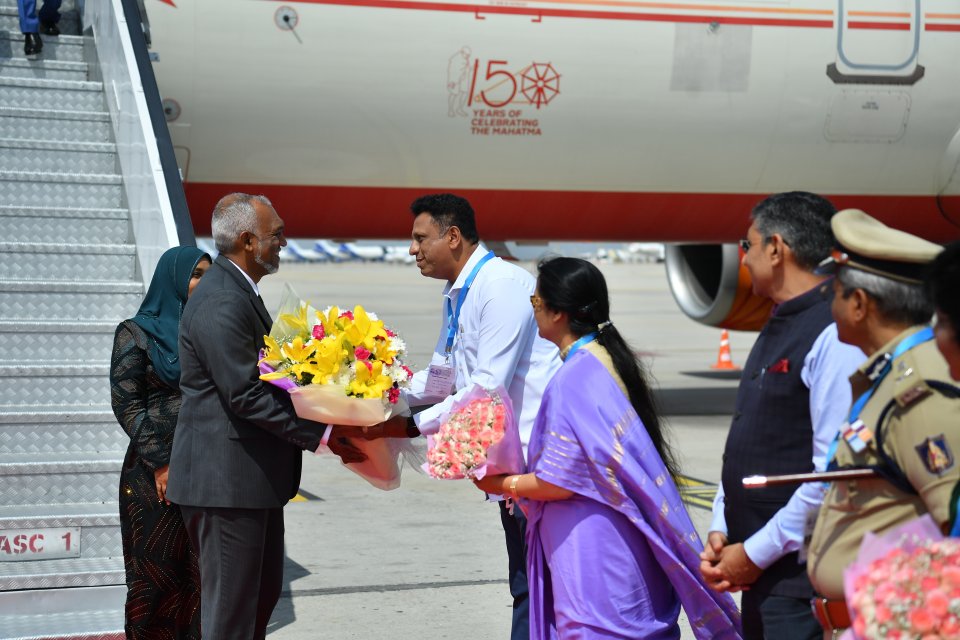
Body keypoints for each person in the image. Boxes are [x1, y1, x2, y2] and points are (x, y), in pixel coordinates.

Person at [474, 257, 742, 639]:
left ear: (558, 312)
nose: (533, 314)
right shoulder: (604, 358)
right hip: (621, 538)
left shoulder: (574, 377)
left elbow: (558, 481)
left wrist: (501, 484)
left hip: (592, 554)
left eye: (535, 304)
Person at [166, 193, 365, 639]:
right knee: (231, 616)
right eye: (276, 234)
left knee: (256, 602)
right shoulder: (222, 300)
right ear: (247, 241)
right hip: (226, 484)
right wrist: (325, 434)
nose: (284, 242)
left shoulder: (238, 291)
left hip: (246, 482)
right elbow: (245, 396)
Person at [367, 193, 562, 640]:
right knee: (526, 584)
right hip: (506, 465)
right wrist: (372, 394)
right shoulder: (459, 293)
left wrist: (408, 424)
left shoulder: (501, 286)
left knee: (536, 588)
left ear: (452, 236)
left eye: (420, 239)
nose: (412, 250)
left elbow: (485, 388)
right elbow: (441, 379)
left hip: (536, 463)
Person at [699, 192, 865, 640]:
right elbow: (754, 437)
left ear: (776, 248)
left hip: (798, 582)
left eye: (747, 245)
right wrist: (722, 524)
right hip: (759, 570)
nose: (745, 259)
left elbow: (831, 474)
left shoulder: (833, 331)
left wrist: (752, 553)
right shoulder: (782, 319)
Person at [807, 210, 960, 636]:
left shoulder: (921, 390)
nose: (830, 306)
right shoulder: (887, 378)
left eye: (834, 293)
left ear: (859, 304)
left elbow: (954, 521)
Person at [110, 246, 210, 639]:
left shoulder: (208, 332)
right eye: (196, 274)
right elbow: (127, 403)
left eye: (209, 274)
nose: (204, 282)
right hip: (154, 475)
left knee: (199, 577)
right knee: (155, 573)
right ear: (172, 278)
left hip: (205, 466)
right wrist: (162, 463)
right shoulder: (136, 332)